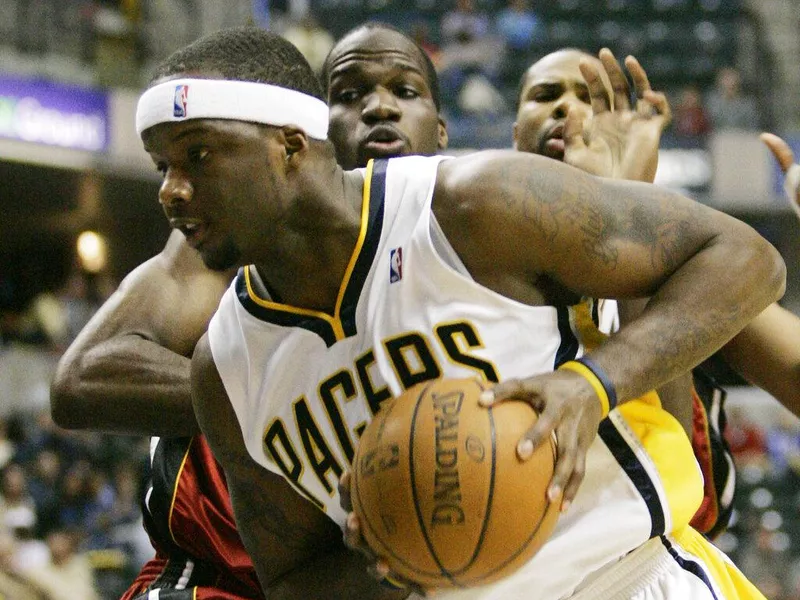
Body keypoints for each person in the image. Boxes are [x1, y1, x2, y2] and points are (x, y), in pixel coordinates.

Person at [145, 27, 782, 598]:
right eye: (162, 166)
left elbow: (747, 259)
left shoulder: (468, 206)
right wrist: (384, 560)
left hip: (627, 575)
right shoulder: (222, 370)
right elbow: (288, 582)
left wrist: (592, 384)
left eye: (197, 155)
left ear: (288, 145)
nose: (171, 190)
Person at [51, 22, 450, 600]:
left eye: (404, 91)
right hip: (214, 578)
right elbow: (83, 377)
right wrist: (290, 402)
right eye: (348, 94)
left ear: (441, 130)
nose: (377, 109)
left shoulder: (469, 239)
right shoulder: (239, 239)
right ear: (304, 129)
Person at [512, 47, 800, 539]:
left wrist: (627, 204)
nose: (565, 107)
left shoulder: (695, 264)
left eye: (587, 96)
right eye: (546, 95)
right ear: (513, 134)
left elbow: (668, 478)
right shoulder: (473, 258)